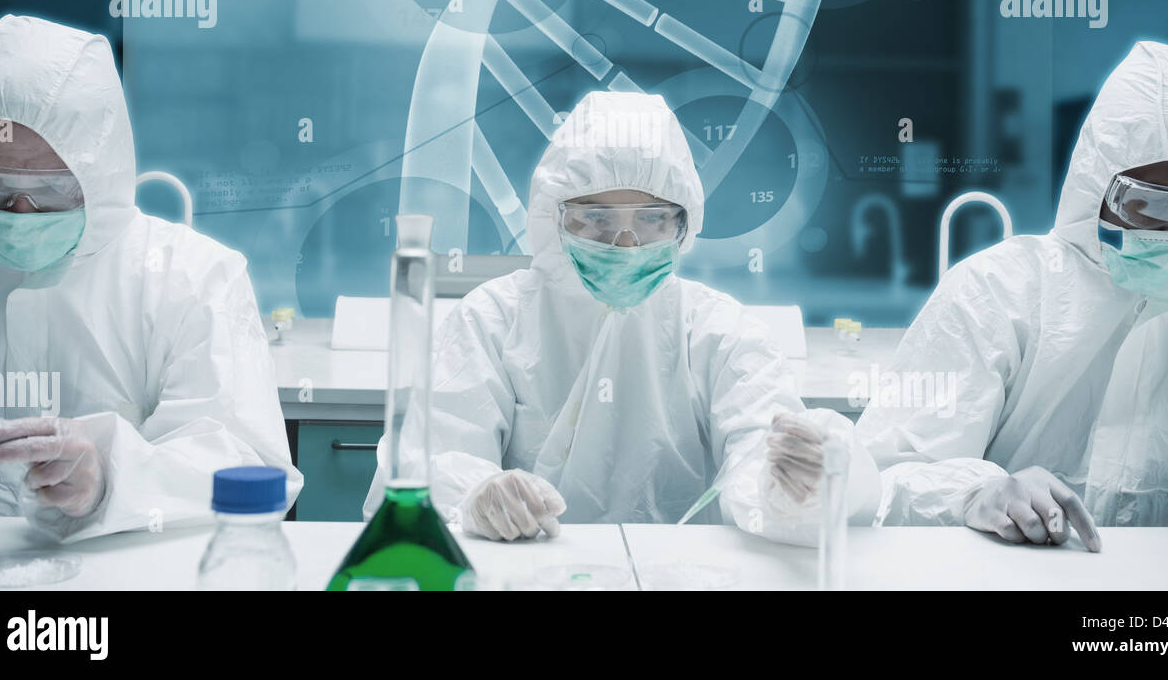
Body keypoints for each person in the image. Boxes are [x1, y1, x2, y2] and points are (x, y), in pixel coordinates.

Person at [363, 90, 879, 542]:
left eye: (652, 219)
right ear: (553, 219)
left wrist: (793, 489)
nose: (625, 243)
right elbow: (431, 457)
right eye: (595, 219)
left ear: (684, 223)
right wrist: (476, 496)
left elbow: (761, 450)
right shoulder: (493, 319)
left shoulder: (719, 332)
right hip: (526, 573)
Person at [857, 41, 1168, 548]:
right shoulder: (999, 291)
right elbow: (886, 473)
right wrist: (975, 492)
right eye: (1154, 204)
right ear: (1099, 186)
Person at [0, 15, 300, 540]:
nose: (20, 213)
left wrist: (109, 479)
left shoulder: (193, 277)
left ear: (101, 170)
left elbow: (248, 463)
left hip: (123, 569)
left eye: (49, 191)